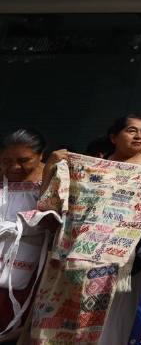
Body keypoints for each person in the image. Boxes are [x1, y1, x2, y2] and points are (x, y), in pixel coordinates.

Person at [0, 131, 48, 340]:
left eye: (23, 161)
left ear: (41, 155)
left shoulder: (51, 182)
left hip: (32, 264)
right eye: (6, 161)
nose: (14, 167)